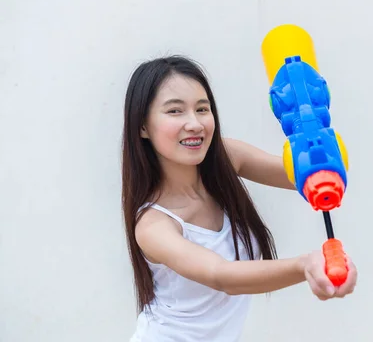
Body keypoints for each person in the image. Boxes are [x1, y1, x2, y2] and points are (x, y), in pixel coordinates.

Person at [122, 55, 357, 341]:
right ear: (142, 126)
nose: (195, 124)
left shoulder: (227, 159)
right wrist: (305, 264)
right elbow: (220, 275)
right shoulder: (153, 225)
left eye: (202, 109)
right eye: (175, 111)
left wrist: (309, 123)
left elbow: (304, 174)